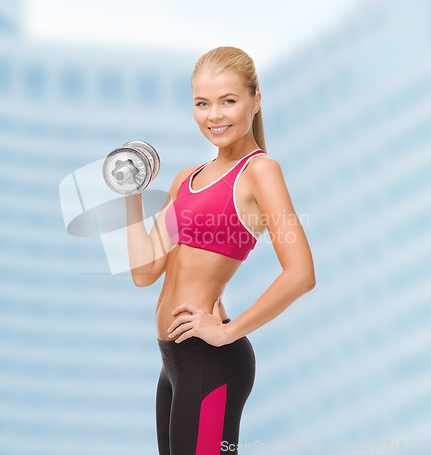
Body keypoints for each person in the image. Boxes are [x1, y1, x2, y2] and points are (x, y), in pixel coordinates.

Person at [124, 46, 315, 455]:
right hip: (173, 362)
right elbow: (145, 273)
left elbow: (301, 274)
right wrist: (131, 196)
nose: (214, 115)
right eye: (202, 103)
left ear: (255, 100)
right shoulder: (184, 179)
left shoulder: (260, 172)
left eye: (228, 101)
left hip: (211, 362)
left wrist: (228, 331)